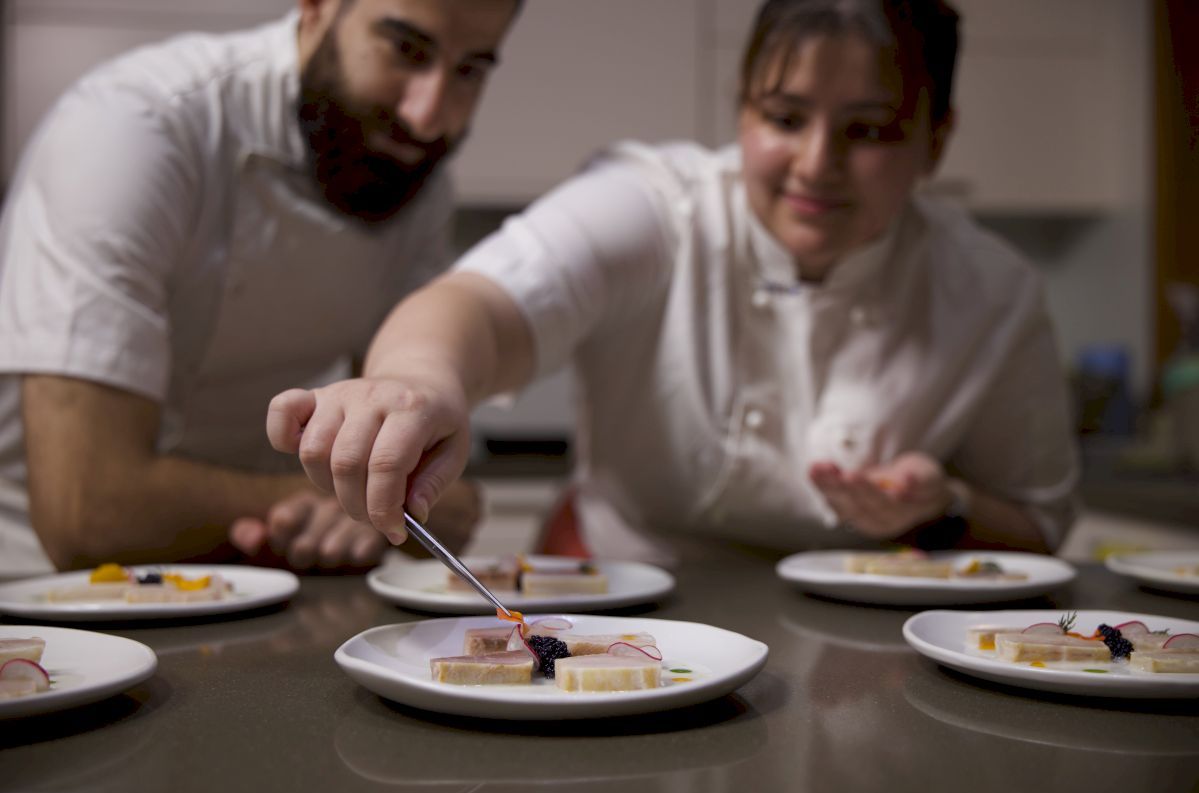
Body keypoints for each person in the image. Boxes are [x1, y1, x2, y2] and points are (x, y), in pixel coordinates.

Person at [267, 0, 1079, 564]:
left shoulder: (990, 293)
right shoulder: (658, 205)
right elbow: (476, 304)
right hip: (620, 599)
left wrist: (943, 509)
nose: (816, 164)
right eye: (784, 118)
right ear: (741, 111)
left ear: (936, 140)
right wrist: (415, 382)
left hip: (862, 652)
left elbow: (1037, 528)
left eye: (867, 131)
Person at [0, 0, 523, 577]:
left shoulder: (409, 173)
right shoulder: (136, 128)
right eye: (405, 49)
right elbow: (87, 511)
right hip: (40, 594)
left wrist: (391, 499)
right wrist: (338, 503)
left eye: (470, 69)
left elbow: (419, 480)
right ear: (318, 9)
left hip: (252, 583)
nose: (428, 116)